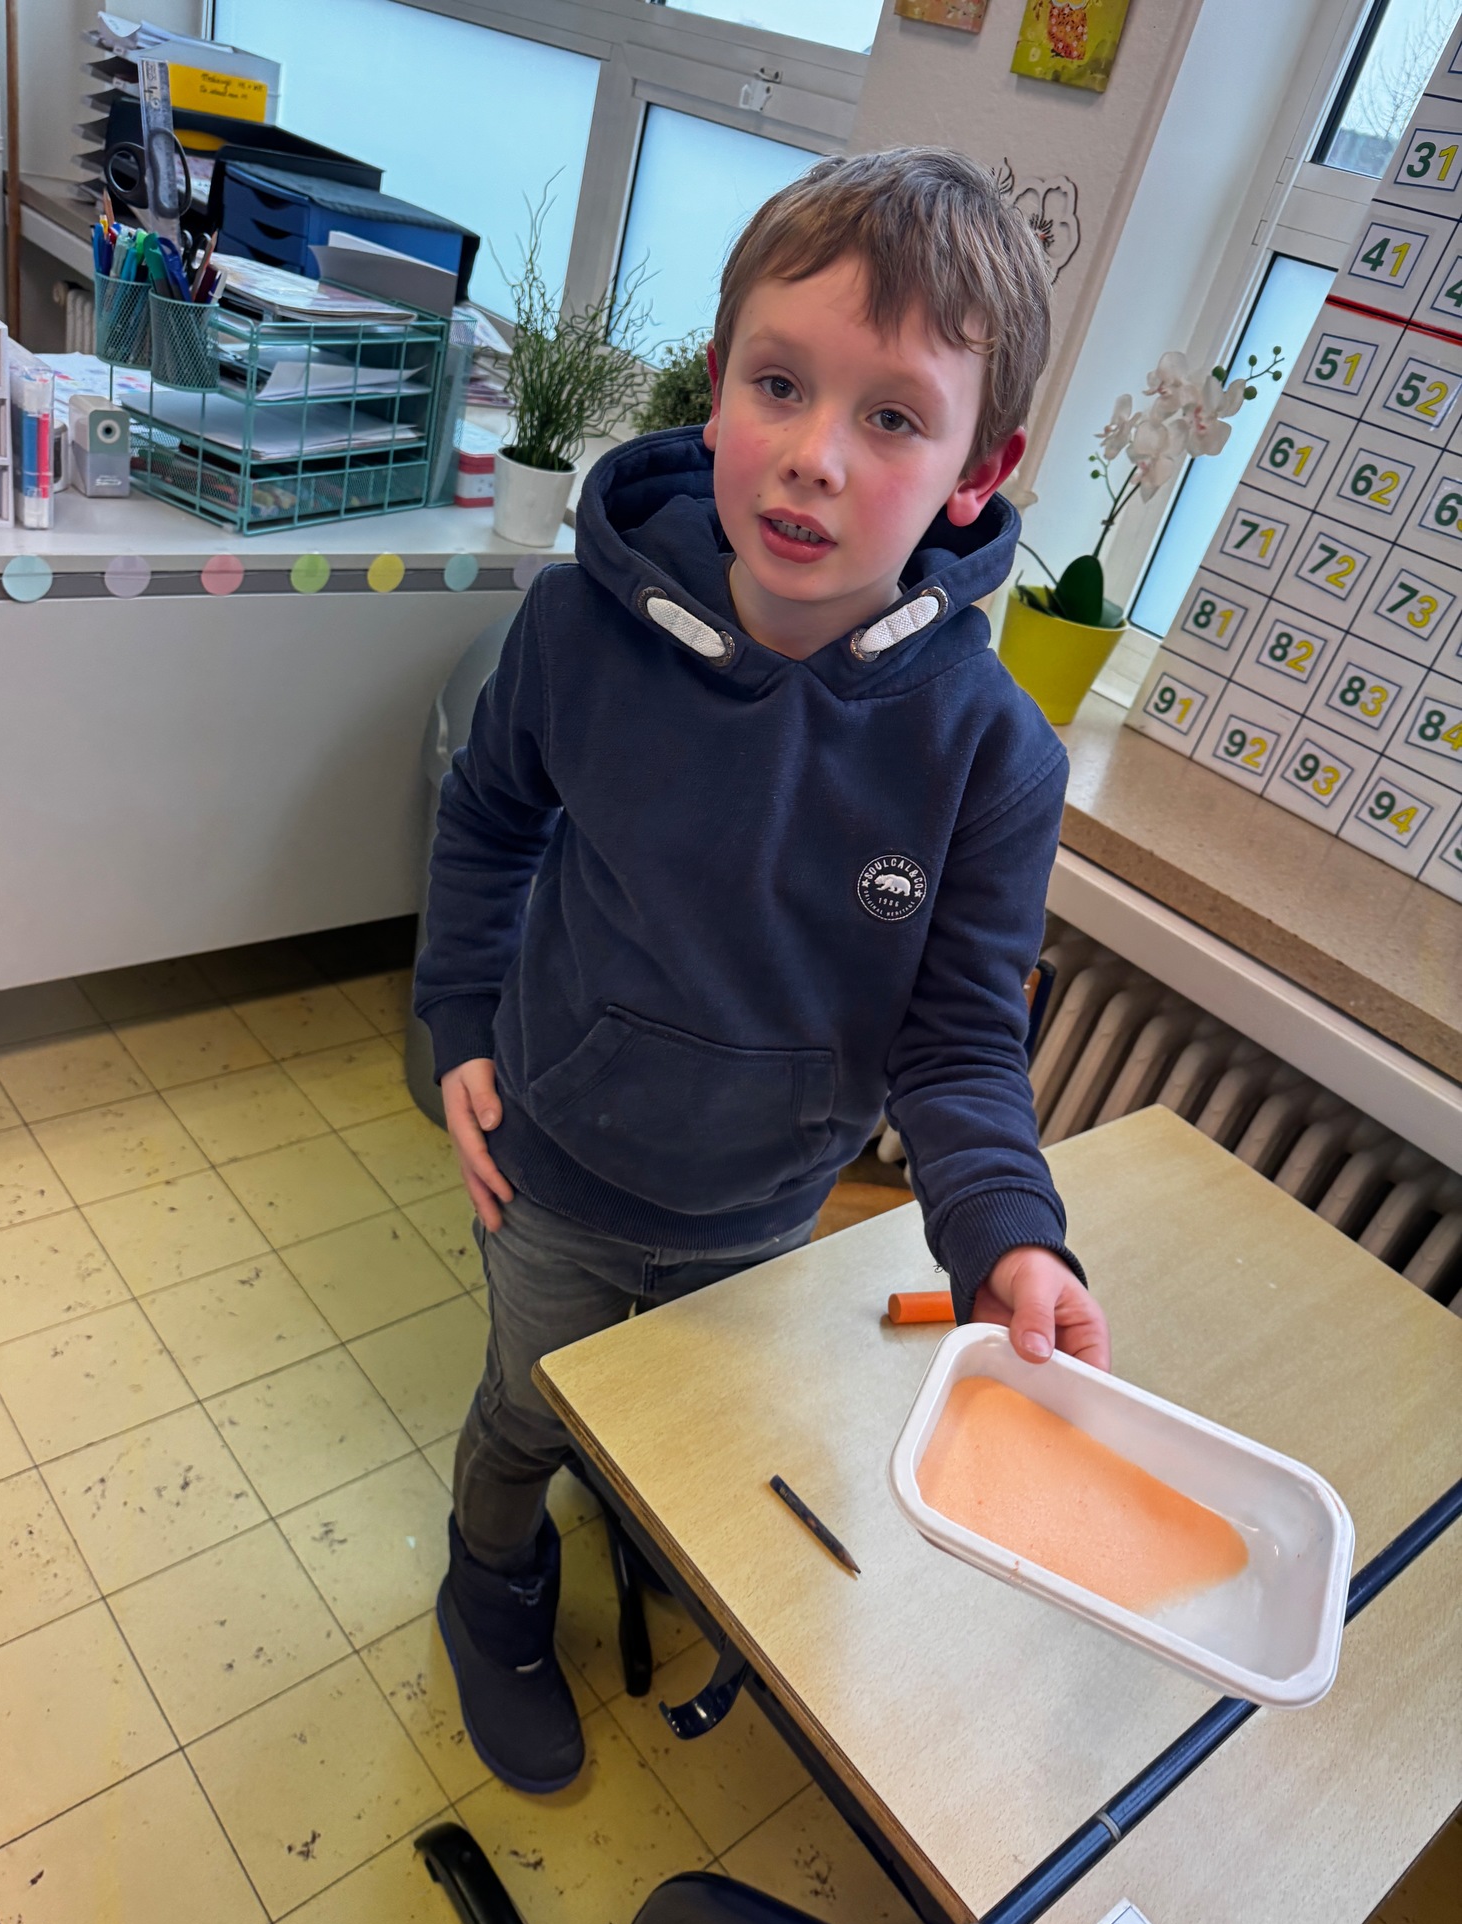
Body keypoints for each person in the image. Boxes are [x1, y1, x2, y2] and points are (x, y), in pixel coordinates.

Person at [414, 145, 1110, 1795]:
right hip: (555, 1166)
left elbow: (962, 1043)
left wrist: (1009, 1236)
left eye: (892, 416)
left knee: (684, 1416)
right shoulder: (578, 632)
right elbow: (488, 822)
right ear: (717, 384)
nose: (812, 455)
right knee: (528, 1409)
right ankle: (490, 1583)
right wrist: (452, 1021)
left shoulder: (993, 756)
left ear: (977, 470)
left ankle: (642, 1517)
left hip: (761, 1203)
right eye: (779, 385)